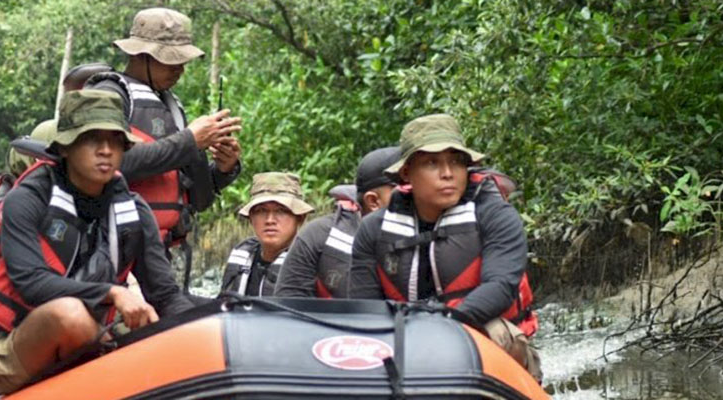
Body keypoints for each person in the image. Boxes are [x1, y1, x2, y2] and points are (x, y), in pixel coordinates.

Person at [0, 90, 193, 394]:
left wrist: (197, 327)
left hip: (95, 337)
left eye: (115, 141)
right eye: (91, 139)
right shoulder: (26, 201)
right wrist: (113, 293)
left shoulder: (135, 210)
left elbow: (164, 295)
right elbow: (32, 284)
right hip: (8, 344)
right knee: (70, 315)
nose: (105, 150)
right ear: (65, 148)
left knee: (171, 322)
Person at [347, 114, 542, 381]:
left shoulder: (496, 215)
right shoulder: (372, 231)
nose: (447, 173)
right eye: (432, 163)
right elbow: (365, 311)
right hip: (407, 343)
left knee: (494, 331)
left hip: (483, 334)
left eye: (456, 162)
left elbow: (500, 287)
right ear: (407, 173)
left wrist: (442, 325)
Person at [87, 7, 243, 251]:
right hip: (109, 247)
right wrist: (190, 141)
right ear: (141, 55)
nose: (179, 69)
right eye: (171, 60)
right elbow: (106, 166)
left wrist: (223, 169)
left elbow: (200, 199)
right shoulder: (108, 94)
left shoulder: (171, 107)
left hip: (159, 253)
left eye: (182, 61)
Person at [274, 147, 400, 298]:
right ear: (373, 201)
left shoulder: (429, 233)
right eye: (403, 189)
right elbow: (288, 307)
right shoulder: (319, 236)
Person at [221, 172, 313, 297]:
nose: (270, 220)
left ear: (299, 218)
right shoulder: (243, 255)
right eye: (261, 211)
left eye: (281, 211)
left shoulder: (310, 263)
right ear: (251, 218)